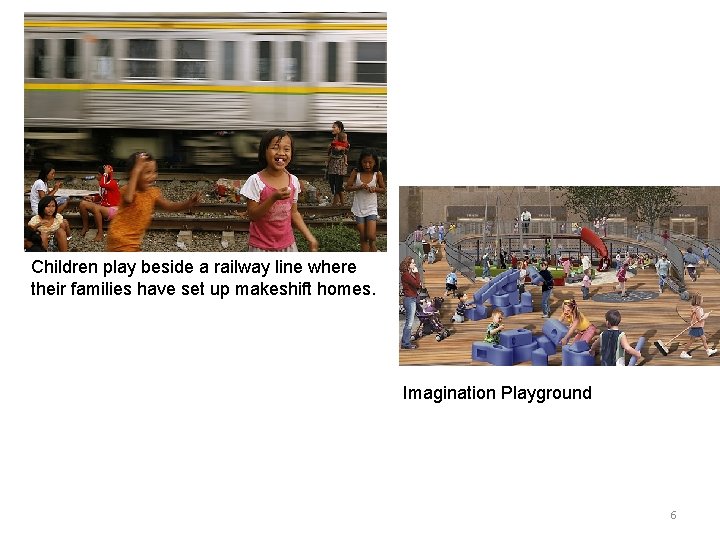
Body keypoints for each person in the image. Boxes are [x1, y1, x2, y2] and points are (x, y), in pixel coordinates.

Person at [239, 130, 319, 252]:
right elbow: (252, 215)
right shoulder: (255, 181)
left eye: (286, 149)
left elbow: (294, 213)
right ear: (264, 151)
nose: (281, 153)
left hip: (288, 246)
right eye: (275, 148)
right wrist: (273, 198)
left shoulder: (293, 181)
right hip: (261, 247)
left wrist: (310, 237)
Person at [106, 151, 201, 252]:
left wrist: (187, 203)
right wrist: (136, 170)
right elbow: (129, 199)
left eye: (154, 171)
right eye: (147, 172)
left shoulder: (152, 193)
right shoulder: (127, 190)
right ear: (134, 174)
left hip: (133, 242)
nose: (153, 176)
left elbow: (169, 206)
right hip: (120, 240)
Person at [345, 148, 385, 252]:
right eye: (364, 162)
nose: (367, 165)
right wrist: (359, 187)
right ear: (360, 162)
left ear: (375, 162)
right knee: (363, 236)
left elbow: (383, 190)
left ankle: (372, 244)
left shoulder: (378, 174)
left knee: (371, 235)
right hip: (359, 208)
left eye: (370, 162)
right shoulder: (356, 172)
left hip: (371, 208)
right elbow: (347, 187)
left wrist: (375, 188)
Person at [78, 164, 120, 241]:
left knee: (96, 208)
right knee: (82, 204)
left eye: (98, 174)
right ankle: (85, 227)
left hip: (113, 210)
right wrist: (93, 198)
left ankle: (100, 233)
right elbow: (102, 197)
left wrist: (106, 173)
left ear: (104, 175)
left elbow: (102, 184)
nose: (96, 176)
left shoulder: (112, 183)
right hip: (104, 208)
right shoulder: (104, 185)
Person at [679, 293, 718, 359]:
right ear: (698, 301)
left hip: (696, 326)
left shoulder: (693, 308)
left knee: (703, 339)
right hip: (698, 327)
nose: (702, 301)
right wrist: (706, 315)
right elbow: (700, 319)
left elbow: (692, 316)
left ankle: (708, 351)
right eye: (702, 300)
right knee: (692, 340)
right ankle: (683, 353)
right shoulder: (699, 309)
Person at [400, 256, 422, 350]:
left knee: (420, 315)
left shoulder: (409, 274)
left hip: (413, 298)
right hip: (410, 300)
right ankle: (405, 343)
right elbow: (417, 284)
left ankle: (407, 340)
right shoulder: (406, 275)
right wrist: (417, 272)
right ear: (408, 265)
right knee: (409, 322)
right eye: (413, 263)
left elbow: (417, 285)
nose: (414, 264)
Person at [325, 120, 349, 207]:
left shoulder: (343, 136)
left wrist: (341, 148)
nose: (332, 128)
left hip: (339, 166)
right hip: (333, 165)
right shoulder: (335, 138)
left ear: (339, 129)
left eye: (334, 127)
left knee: (338, 185)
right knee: (334, 184)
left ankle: (337, 205)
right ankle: (341, 205)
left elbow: (347, 147)